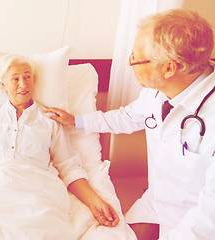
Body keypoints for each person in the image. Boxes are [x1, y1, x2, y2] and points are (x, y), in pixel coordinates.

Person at [44, 9, 215, 240]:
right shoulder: (159, 92)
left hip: (197, 220)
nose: (130, 63)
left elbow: (208, 215)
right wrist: (77, 120)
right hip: (156, 202)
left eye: (136, 57)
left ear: (169, 68)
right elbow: (126, 117)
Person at [0, 54, 120, 238]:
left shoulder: (50, 120)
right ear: (3, 85)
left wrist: (95, 202)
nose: (23, 84)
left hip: (37, 194)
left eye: (28, 77)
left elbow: (68, 167)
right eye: (15, 79)